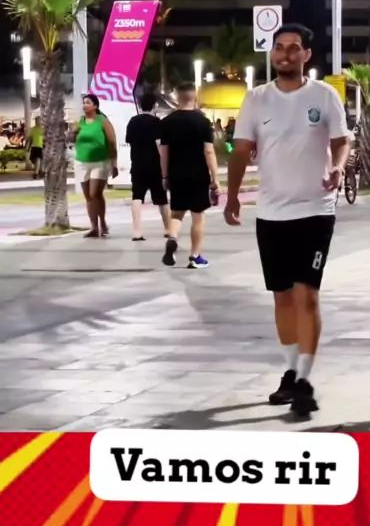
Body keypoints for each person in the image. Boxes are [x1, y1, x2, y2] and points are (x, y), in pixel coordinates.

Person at [224, 24, 350, 419]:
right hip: (271, 213)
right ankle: (291, 371)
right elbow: (241, 151)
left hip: (315, 210)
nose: (285, 54)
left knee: (306, 295)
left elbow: (341, 140)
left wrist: (339, 167)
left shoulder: (324, 95)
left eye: (294, 48)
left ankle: (305, 380)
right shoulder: (256, 99)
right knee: (281, 296)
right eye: (279, 47)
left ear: (306, 55)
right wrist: (231, 196)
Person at [159, 82, 220, 269]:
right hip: (198, 174)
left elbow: (163, 152)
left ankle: (172, 238)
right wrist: (215, 179)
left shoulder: (167, 122)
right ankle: (195, 256)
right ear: (195, 96)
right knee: (198, 216)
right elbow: (209, 151)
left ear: (177, 97)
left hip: (176, 174)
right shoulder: (203, 122)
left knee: (177, 212)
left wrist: (164, 176)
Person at [125, 92, 170, 241]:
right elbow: (159, 144)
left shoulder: (133, 121)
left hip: (137, 163)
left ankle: (137, 231)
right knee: (161, 197)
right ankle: (168, 228)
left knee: (137, 196)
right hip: (154, 164)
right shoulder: (157, 122)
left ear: (140, 105)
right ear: (154, 106)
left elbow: (130, 141)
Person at [73, 94, 118, 237]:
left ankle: (103, 223)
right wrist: (71, 134)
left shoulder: (102, 121)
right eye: (83, 102)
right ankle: (94, 227)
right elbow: (72, 137)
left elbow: (112, 142)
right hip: (82, 162)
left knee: (95, 193)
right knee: (88, 196)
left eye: (88, 102)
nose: (84, 105)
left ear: (95, 106)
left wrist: (114, 163)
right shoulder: (80, 122)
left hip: (100, 162)